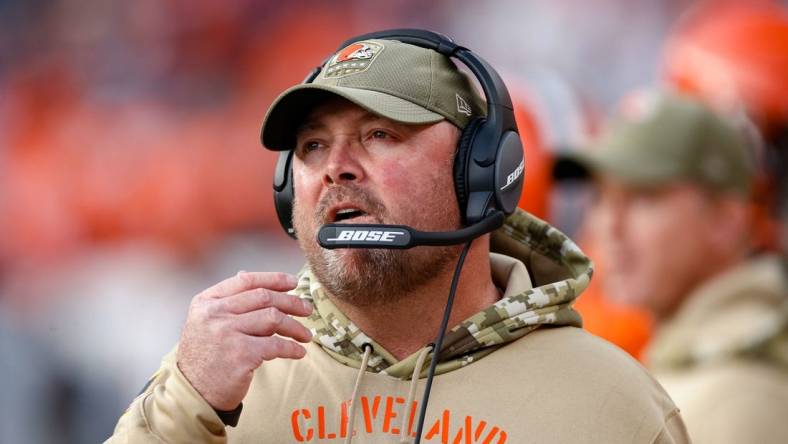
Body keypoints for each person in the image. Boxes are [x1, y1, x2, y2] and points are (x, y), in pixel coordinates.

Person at [107, 32, 689, 443]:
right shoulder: (217, 382)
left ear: (480, 174)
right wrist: (185, 405)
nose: (336, 166)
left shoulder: (615, 407)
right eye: (312, 146)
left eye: (380, 134)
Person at [565, 91, 788, 444]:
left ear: (725, 219)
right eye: (602, 197)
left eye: (643, 196)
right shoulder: (691, 361)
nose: (610, 226)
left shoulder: (743, 397)